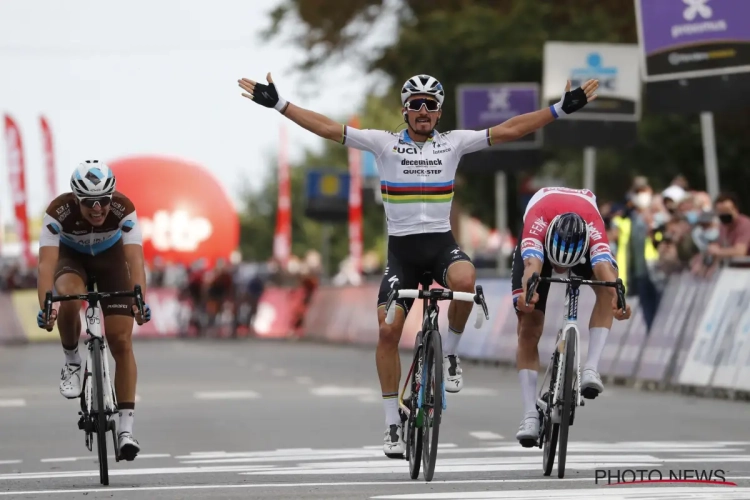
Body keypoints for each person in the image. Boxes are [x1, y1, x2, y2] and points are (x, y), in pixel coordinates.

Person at [238, 71, 599, 457]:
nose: (423, 110)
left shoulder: (455, 143)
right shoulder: (383, 144)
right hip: (403, 256)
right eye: (416, 103)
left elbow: (511, 129)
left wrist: (560, 109)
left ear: (439, 112)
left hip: (441, 248)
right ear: (405, 110)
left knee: (466, 278)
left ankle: (451, 356)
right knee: (388, 330)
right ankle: (392, 424)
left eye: (431, 104)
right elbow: (329, 128)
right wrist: (279, 104)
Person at [36, 160, 152, 461]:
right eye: (90, 203)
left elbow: (136, 260)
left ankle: (126, 430)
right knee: (68, 297)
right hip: (71, 259)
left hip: (111, 260)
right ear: (76, 198)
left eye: (104, 200)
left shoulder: (123, 208)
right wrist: (46, 306)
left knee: (122, 341)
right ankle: (73, 359)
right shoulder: (58, 211)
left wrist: (139, 299)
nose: (98, 208)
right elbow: (46, 266)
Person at [513, 187, 632, 447]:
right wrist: (527, 294)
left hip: (581, 238)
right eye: (559, 266)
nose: (561, 271)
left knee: (607, 290)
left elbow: (604, 268)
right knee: (528, 324)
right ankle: (529, 414)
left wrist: (618, 298)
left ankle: (590, 368)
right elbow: (532, 267)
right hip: (543, 243)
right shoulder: (537, 221)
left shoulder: (593, 228)